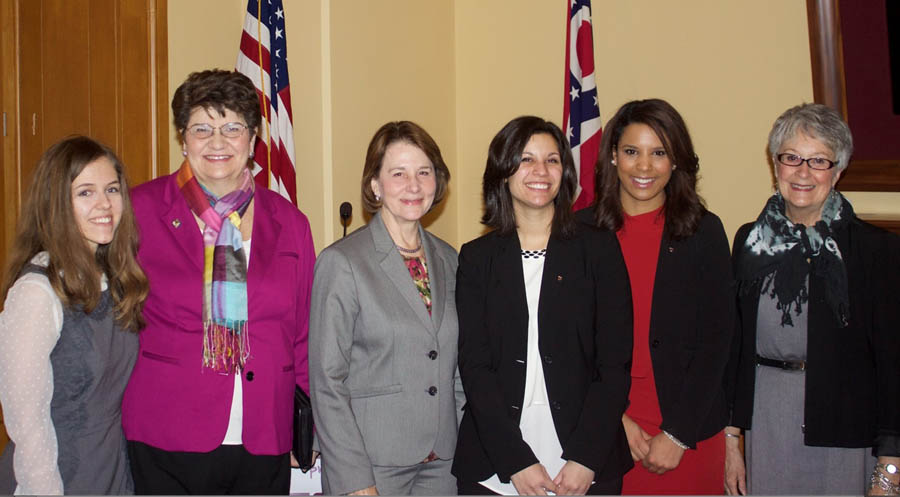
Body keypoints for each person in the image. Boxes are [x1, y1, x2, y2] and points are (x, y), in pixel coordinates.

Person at [121, 69, 315, 494]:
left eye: (232, 128)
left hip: (264, 431)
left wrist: (308, 420)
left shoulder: (290, 222)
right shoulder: (139, 211)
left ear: (253, 139)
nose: (218, 142)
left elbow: (301, 332)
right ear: (182, 137)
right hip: (167, 430)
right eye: (202, 128)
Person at [724, 103, 900, 495]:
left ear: (838, 171)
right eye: (792, 158)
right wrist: (732, 439)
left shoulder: (875, 250)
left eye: (818, 160)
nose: (803, 172)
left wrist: (889, 467)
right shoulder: (749, 242)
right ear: (775, 165)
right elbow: (735, 349)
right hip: (766, 422)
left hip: (845, 430)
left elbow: (893, 365)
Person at [453, 116, 634, 495]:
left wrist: (586, 457)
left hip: (585, 458)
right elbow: (475, 367)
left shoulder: (598, 248)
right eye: (525, 159)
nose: (540, 171)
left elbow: (614, 364)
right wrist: (513, 459)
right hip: (496, 460)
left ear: (565, 172)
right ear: (502, 172)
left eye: (552, 160)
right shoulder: (476, 258)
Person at [576, 99, 734, 495]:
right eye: (631, 152)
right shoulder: (580, 232)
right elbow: (569, 342)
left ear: (676, 160)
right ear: (612, 156)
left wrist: (679, 434)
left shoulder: (704, 232)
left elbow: (718, 342)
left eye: (658, 153)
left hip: (688, 426)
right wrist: (615, 419)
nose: (644, 167)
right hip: (604, 424)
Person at [309, 121, 463, 495]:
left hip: (443, 463)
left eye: (424, 172)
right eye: (398, 173)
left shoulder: (450, 259)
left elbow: (457, 363)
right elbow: (327, 381)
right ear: (375, 185)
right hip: (371, 464)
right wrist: (352, 478)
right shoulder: (342, 262)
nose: (414, 185)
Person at [0, 136, 148, 494]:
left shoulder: (112, 276)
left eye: (112, 189)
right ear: (56, 204)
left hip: (112, 470)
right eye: (85, 193)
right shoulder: (37, 292)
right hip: (56, 476)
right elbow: (28, 424)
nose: (104, 204)